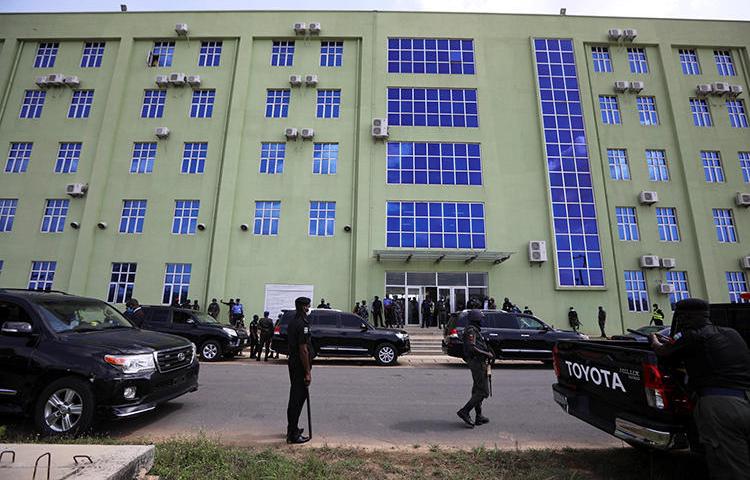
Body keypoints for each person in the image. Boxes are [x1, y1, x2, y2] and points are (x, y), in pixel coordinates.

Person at [649, 299, 750, 480]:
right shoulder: (732, 333)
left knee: (731, 468)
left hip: (721, 407)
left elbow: (663, 353)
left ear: (685, 318)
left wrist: (654, 339)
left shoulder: (691, 336)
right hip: (745, 399)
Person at [457, 310, 494, 428]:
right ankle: (465, 411)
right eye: (481, 319)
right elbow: (471, 347)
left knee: (477, 389)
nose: (482, 321)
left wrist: (488, 352)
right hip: (477, 362)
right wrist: (486, 354)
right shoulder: (471, 330)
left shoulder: (475, 330)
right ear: (476, 319)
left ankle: (479, 416)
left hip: (480, 362)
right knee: (482, 391)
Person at [286, 296, 313, 444]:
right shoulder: (301, 324)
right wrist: (307, 372)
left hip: (294, 363)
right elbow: (303, 349)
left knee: (296, 397)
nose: (309, 308)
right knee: (297, 398)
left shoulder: (292, 321)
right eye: (308, 306)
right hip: (300, 365)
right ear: (303, 307)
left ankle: (292, 428)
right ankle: (293, 434)